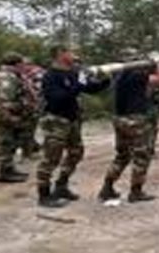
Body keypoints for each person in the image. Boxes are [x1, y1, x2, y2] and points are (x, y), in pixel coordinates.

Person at [36, 45, 110, 208]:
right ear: (60, 54)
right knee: (51, 158)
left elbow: (90, 88)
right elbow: (58, 98)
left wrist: (105, 80)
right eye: (71, 53)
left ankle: (61, 186)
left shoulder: (73, 73)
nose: (74, 56)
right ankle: (44, 195)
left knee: (76, 153)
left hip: (72, 119)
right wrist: (79, 84)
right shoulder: (50, 76)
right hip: (56, 120)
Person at [98, 48, 159, 203]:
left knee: (122, 155)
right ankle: (136, 192)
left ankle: (107, 187)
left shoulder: (117, 74)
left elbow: (147, 89)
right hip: (135, 119)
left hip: (120, 118)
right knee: (142, 156)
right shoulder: (136, 74)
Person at [0, 52, 29, 183]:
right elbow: (4, 100)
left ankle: (9, 169)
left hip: (10, 115)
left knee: (11, 143)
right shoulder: (7, 77)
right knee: (6, 144)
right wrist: (10, 116)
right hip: (6, 116)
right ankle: (5, 173)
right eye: (22, 64)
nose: (23, 66)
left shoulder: (9, 75)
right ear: (16, 64)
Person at [18, 59, 45, 160]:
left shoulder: (38, 74)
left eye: (24, 65)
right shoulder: (24, 75)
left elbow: (38, 91)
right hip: (28, 106)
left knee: (30, 128)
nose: (22, 67)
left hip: (34, 105)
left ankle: (29, 151)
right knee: (27, 128)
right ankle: (32, 148)